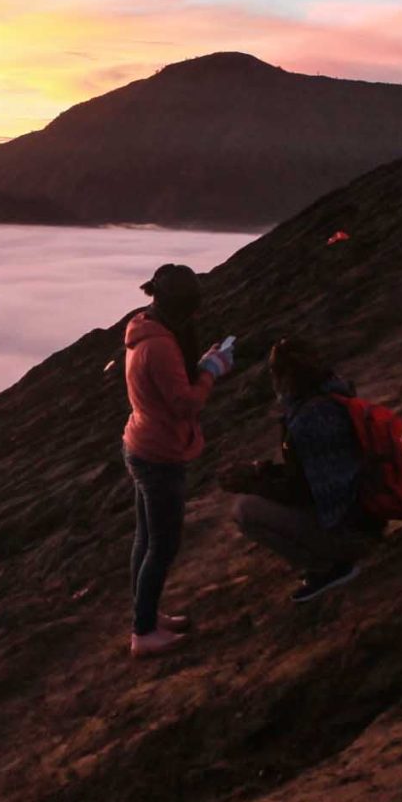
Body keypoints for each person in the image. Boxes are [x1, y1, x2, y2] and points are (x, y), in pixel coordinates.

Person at [120, 263, 235, 657]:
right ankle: (143, 632)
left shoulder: (145, 330)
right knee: (163, 545)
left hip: (140, 442)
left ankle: (145, 614)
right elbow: (184, 403)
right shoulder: (162, 345)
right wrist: (211, 372)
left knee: (146, 538)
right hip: (159, 452)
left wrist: (201, 366)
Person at [218, 338, 378, 603]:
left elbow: (302, 492)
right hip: (367, 516)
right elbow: (310, 474)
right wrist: (261, 471)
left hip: (350, 531)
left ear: (283, 377)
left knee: (244, 510)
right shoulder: (334, 395)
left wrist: (253, 482)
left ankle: (332, 566)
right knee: (257, 500)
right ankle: (334, 559)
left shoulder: (309, 419)